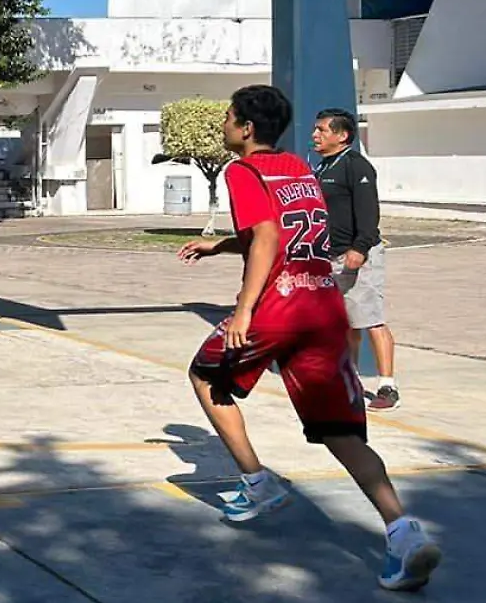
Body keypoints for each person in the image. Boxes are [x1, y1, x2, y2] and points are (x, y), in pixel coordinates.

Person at [180, 85, 440, 592]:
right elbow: (282, 230)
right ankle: (402, 533)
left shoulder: (242, 171)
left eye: (229, 117)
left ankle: (256, 483)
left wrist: (244, 310)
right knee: (340, 431)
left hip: (280, 303)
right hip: (323, 303)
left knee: (206, 374)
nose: (224, 125)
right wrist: (220, 245)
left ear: (247, 128)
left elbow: (270, 238)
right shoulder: (300, 169)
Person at [312, 108, 399, 412]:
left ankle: (387, 386)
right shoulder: (323, 167)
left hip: (359, 255)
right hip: (332, 257)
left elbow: (368, 212)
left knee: (371, 318)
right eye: (316, 129)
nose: (315, 135)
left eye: (322, 130)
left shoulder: (356, 165)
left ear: (342, 135)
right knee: (347, 323)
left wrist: (359, 249)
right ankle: (349, 380)